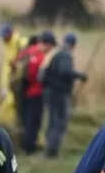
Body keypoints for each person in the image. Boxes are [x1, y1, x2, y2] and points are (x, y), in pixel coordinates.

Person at [38, 30, 88, 158]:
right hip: (59, 93)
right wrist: (80, 76)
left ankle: (49, 149)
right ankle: (52, 152)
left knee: (51, 121)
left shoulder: (54, 53)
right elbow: (65, 72)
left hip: (49, 91)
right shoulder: (65, 55)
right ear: (73, 44)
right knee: (59, 121)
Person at [11, 36, 53, 154]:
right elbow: (40, 76)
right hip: (36, 91)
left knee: (23, 117)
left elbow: (13, 64)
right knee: (34, 120)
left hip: (21, 90)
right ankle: (30, 146)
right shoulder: (41, 56)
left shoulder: (26, 52)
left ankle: (22, 142)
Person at [0, 23, 28, 131]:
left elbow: (24, 62)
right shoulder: (7, 45)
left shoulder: (20, 43)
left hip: (17, 82)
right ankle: (8, 128)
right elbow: (6, 66)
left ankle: (4, 127)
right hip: (8, 82)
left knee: (8, 106)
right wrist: (3, 86)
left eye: (4, 36)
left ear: (10, 33)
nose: (2, 39)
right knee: (10, 107)